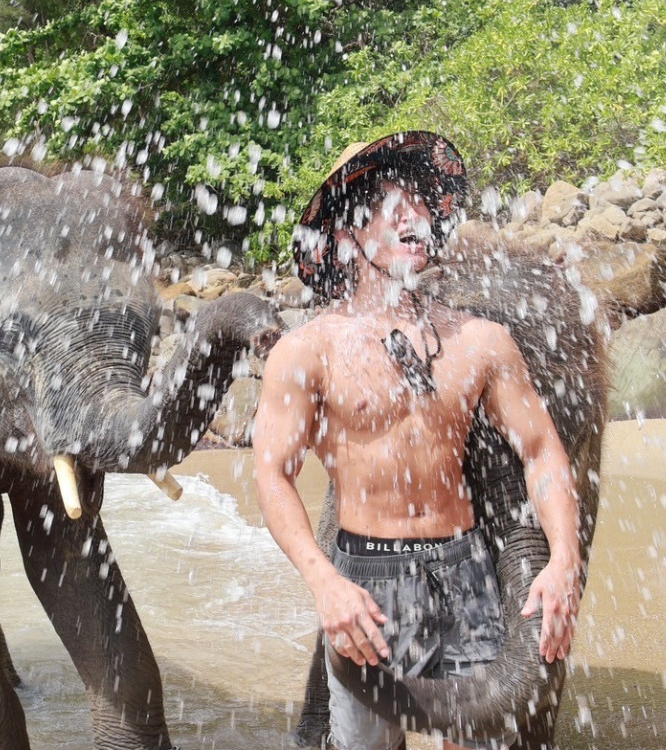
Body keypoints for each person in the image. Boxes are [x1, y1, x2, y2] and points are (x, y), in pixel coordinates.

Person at [252, 131, 581, 750]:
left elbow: (542, 452)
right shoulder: (308, 351)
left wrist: (563, 558)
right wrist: (325, 582)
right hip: (366, 578)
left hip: (466, 572)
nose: (414, 213)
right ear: (348, 235)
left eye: (421, 201)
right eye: (390, 202)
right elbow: (273, 475)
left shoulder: (480, 341)